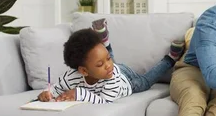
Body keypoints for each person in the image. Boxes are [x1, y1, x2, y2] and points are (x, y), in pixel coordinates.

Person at [37, 19, 184, 103]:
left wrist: (79, 93)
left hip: (127, 80)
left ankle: (170, 59)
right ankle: (105, 42)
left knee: (146, 81)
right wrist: (46, 94)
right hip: (110, 71)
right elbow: (56, 88)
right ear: (83, 70)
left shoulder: (111, 77)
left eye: (107, 59)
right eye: (100, 64)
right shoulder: (71, 77)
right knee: (105, 58)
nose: (108, 65)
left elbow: (104, 102)